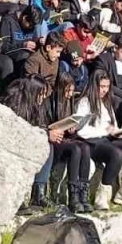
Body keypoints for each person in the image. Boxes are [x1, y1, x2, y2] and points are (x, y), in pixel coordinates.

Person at [74, 70, 122, 210]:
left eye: (107, 86)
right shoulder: (84, 102)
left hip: (106, 139)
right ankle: (102, 195)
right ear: (94, 85)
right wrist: (104, 130)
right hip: (91, 142)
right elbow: (82, 130)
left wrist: (116, 131)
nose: (105, 90)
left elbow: (111, 126)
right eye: (102, 86)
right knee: (117, 154)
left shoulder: (106, 102)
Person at [3, 78, 56, 211]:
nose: (43, 98)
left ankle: (39, 193)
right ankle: (15, 198)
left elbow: (39, 124)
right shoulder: (15, 102)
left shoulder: (37, 104)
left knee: (49, 146)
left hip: (27, 141)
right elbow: (18, 128)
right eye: (41, 94)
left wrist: (46, 132)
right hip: (11, 143)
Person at [43, 75, 93, 212]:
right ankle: (73, 196)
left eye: (72, 91)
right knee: (75, 149)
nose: (70, 95)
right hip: (55, 140)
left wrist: (72, 128)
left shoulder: (69, 102)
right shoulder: (49, 103)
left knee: (85, 147)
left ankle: (84, 193)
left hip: (65, 138)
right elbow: (46, 125)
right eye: (67, 91)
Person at [0, 4, 45, 70]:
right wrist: (22, 45)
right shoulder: (8, 21)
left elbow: (34, 41)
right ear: (24, 18)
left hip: (27, 53)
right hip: (12, 54)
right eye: (30, 25)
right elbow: (4, 48)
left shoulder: (32, 25)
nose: (31, 28)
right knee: (25, 56)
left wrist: (39, 42)